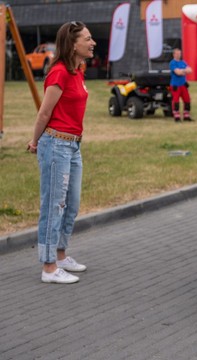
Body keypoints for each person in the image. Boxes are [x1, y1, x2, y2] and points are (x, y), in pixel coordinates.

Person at [26, 21, 96, 284]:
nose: (93, 43)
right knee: (54, 205)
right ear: (73, 43)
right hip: (55, 144)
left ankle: (61, 255)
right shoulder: (59, 73)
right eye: (88, 39)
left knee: (72, 205)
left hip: (73, 145)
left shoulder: (77, 71)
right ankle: (49, 267)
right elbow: (44, 112)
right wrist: (34, 142)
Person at [169, 48, 192, 122]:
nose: (179, 55)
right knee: (176, 101)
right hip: (175, 85)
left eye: (180, 53)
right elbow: (178, 73)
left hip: (183, 85)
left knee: (187, 100)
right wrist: (184, 71)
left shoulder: (183, 62)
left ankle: (186, 116)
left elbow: (190, 70)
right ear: (174, 54)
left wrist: (182, 71)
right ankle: (177, 116)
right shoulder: (172, 63)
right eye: (177, 53)